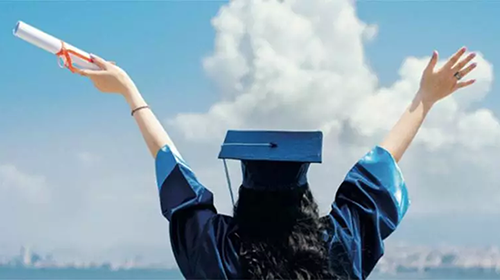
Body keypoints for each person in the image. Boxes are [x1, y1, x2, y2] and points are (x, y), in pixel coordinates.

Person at [76, 47, 477, 280]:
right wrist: (425, 99)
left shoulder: (218, 253)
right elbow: (377, 173)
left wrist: (130, 92)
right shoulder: (338, 248)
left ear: (246, 193)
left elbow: (178, 180)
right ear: (303, 194)